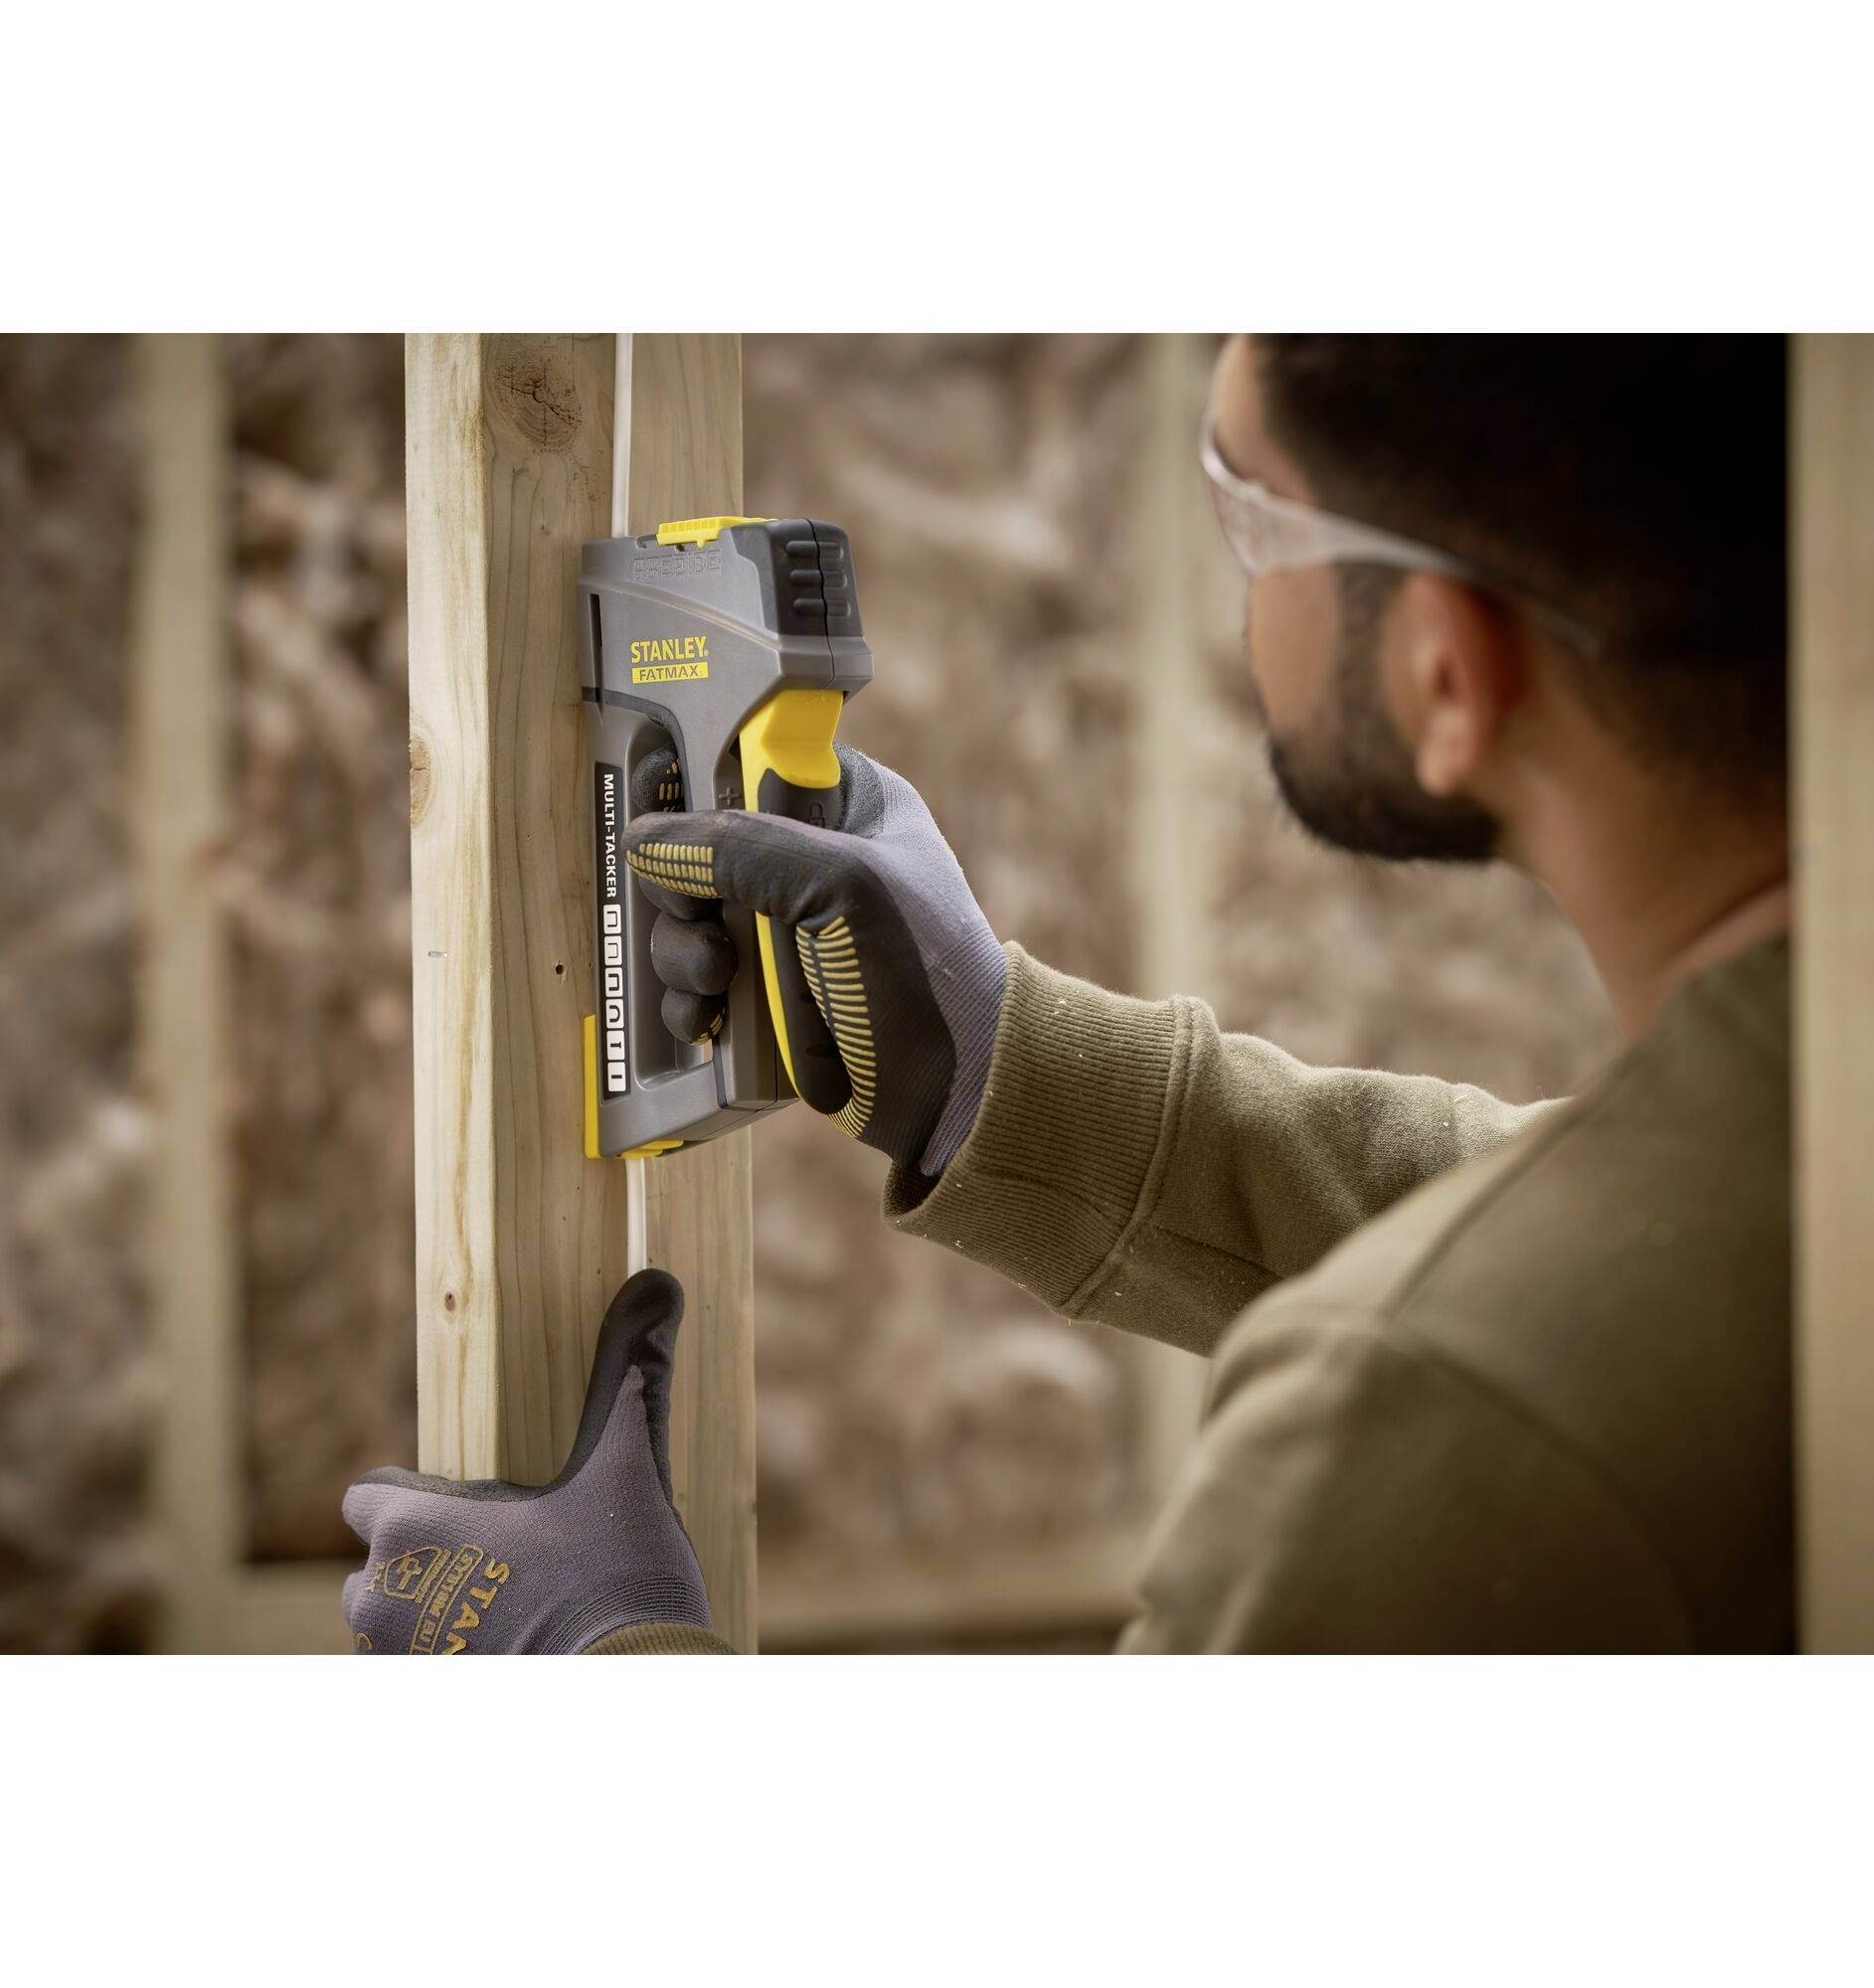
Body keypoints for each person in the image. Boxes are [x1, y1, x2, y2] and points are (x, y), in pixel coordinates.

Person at [343, 334, 1790, 1654]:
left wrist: (602, 1670)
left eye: (1251, 514)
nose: (1236, 572)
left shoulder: (1412, 1426)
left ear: (1445, 670)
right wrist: (1010, 1078)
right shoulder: (1858, 1124)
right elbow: (1570, 1230)